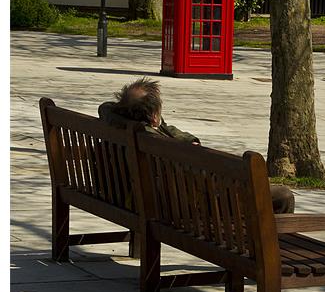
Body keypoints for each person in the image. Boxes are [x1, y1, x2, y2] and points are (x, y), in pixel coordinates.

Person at [98, 77, 295, 214]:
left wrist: (188, 139)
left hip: (140, 199)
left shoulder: (126, 126)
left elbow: (106, 107)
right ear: (153, 116)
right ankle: (275, 257)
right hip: (184, 205)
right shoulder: (160, 145)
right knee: (283, 196)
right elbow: (199, 179)